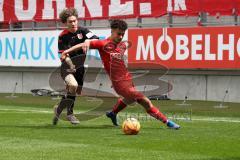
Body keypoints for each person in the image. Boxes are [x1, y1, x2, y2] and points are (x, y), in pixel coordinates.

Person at [60, 19, 180, 129]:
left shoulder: (123, 45)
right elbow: (83, 45)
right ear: (112, 31)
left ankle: (113, 113)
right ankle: (168, 122)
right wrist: (67, 51)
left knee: (129, 100)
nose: (121, 36)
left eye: (123, 34)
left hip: (128, 80)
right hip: (120, 84)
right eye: (119, 34)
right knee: (145, 101)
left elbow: (121, 62)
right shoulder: (103, 44)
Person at [52, 8, 99, 125]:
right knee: (73, 85)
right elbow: (63, 55)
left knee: (73, 92)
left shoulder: (83, 31)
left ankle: (58, 109)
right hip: (66, 67)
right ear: (65, 23)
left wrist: (87, 42)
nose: (73, 23)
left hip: (80, 68)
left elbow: (96, 39)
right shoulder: (62, 36)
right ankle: (70, 114)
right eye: (70, 22)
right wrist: (71, 64)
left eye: (75, 21)